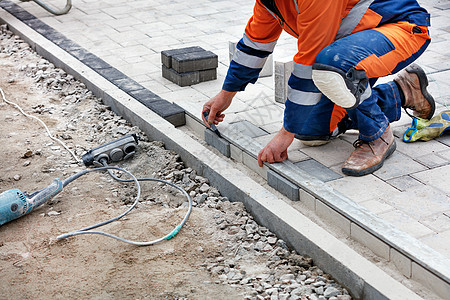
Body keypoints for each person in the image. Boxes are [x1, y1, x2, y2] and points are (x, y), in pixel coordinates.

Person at [202, 0, 435, 176]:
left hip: (401, 28)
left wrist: (285, 134)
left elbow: (307, 65)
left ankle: (376, 134)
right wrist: (225, 94)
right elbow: (254, 47)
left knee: (331, 66)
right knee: (311, 132)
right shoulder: (270, 2)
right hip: (350, 48)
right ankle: (402, 92)